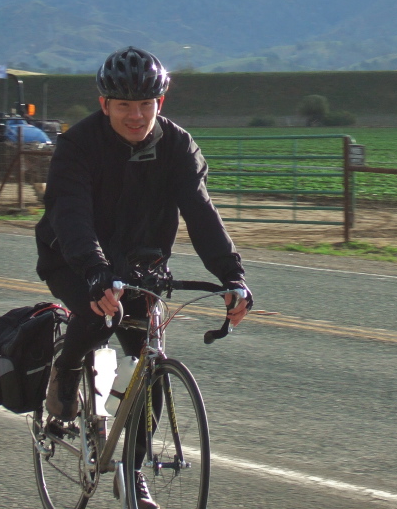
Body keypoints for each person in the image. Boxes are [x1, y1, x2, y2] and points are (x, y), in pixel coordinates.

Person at [34, 46, 252, 508]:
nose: (136, 115)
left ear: (161, 103)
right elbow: (70, 216)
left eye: (145, 104)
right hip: (74, 259)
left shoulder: (177, 147)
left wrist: (233, 277)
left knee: (152, 369)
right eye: (124, 105)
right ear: (104, 104)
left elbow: (201, 214)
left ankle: (131, 472)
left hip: (142, 267)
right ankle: (65, 378)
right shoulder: (78, 146)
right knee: (98, 318)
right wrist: (94, 271)